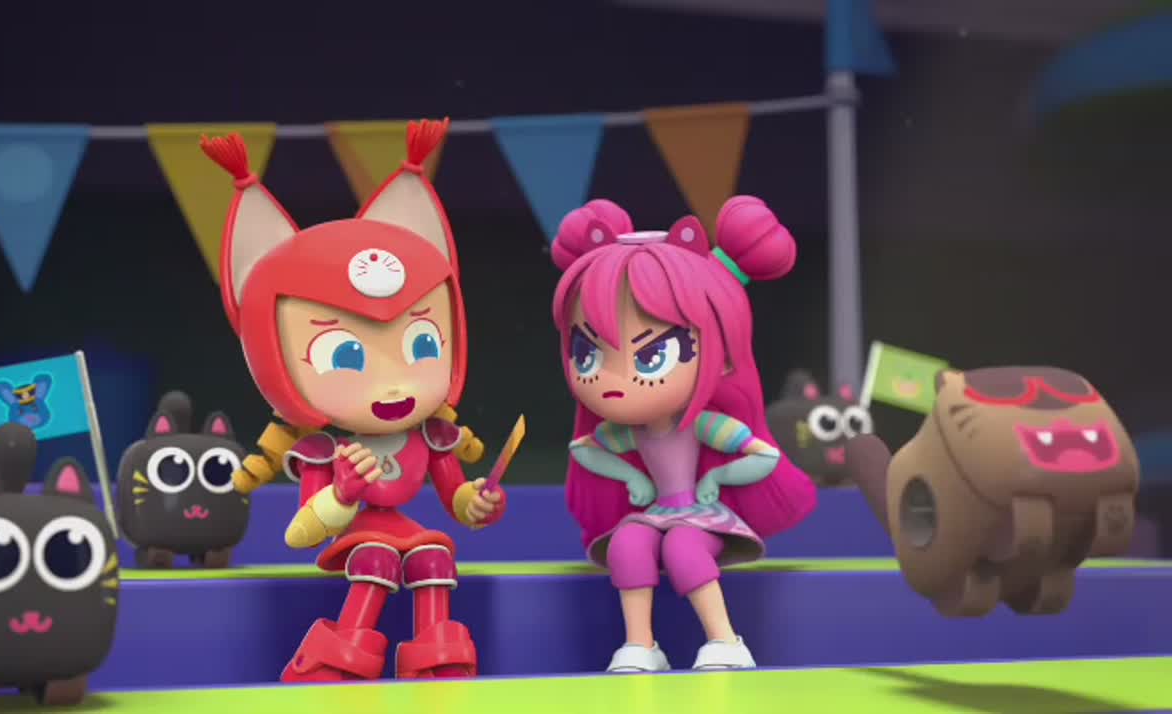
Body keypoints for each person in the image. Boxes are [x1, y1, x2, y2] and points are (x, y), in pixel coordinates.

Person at [200, 118, 506, 681]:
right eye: (344, 355)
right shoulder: (323, 449)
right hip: (364, 532)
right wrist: (341, 492)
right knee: (377, 558)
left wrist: (479, 505)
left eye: (422, 343)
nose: (394, 385)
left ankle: (436, 651)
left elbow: (455, 497)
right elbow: (300, 534)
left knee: (434, 558)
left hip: (409, 527)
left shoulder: (431, 436)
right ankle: (341, 650)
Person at [550, 196, 816, 672]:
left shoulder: (704, 426)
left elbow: (763, 456)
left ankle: (725, 640)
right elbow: (585, 449)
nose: (611, 380)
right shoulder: (628, 432)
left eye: (651, 356)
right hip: (656, 512)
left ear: (722, 354)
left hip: (699, 514)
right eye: (587, 354)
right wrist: (631, 478)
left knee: (683, 546)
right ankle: (640, 645)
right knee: (627, 544)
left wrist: (717, 479)